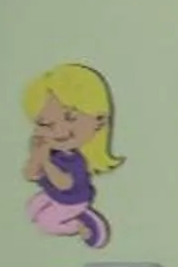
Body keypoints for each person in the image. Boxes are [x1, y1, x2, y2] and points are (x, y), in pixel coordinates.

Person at [22, 63, 122, 247]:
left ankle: (80, 223)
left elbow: (65, 184)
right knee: (31, 210)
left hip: (72, 200)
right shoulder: (50, 152)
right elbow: (30, 174)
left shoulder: (74, 160)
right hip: (53, 195)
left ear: (99, 121)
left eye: (70, 118)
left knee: (47, 223)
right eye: (45, 124)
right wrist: (36, 155)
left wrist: (45, 161)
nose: (58, 130)